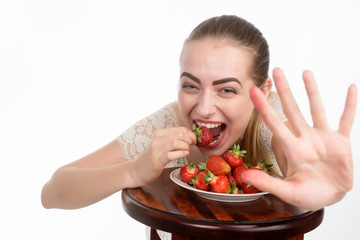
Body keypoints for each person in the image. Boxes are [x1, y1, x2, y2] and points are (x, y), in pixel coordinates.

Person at [41, 14, 357, 231]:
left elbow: (297, 164)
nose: (204, 109)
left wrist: (332, 191)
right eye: (191, 85)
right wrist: (132, 171)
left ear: (261, 92)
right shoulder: (169, 123)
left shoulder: (274, 126)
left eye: (227, 89)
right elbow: (53, 192)